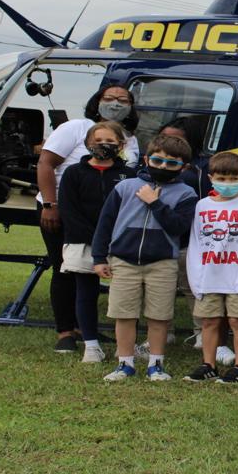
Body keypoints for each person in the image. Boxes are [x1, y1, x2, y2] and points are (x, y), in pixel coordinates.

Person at [37, 84, 141, 354]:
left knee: (92, 277)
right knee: (65, 270)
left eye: (123, 100)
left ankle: (86, 329)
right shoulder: (75, 128)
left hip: (107, 220)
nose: (116, 104)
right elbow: (46, 163)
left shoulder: (130, 139)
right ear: (97, 102)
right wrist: (51, 204)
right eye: (109, 99)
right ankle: (65, 331)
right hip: (64, 210)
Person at [92, 134, 199, 382]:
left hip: (162, 262)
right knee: (124, 314)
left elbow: (178, 227)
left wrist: (155, 203)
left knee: (159, 316)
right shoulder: (125, 187)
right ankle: (125, 363)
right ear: (146, 158)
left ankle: (156, 364)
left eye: (171, 164)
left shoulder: (186, 194)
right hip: (123, 260)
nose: (162, 167)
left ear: (183, 167)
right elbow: (105, 224)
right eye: (157, 160)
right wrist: (99, 257)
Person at [182, 151, 238, 384]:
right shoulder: (202, 205)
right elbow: (196, 242)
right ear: (211, 177)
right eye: (222, 178)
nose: (227, 183)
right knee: (209, 321)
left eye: (234, 178)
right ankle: (208, 364)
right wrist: (196, 278)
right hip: (208, 275)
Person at [55, 120, 132, 365]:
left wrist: (113, 238)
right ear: (88, 143)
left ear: (121, 145)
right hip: (83, 241)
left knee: (126, 296)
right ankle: (90, 344)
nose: (103, 146)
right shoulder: (73, 173)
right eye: (98, 141)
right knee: (85, 292)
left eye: (110, 142)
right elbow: (69, 210)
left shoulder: (129, 175)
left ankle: (125, 346)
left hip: (120, 242)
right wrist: (96, 240)